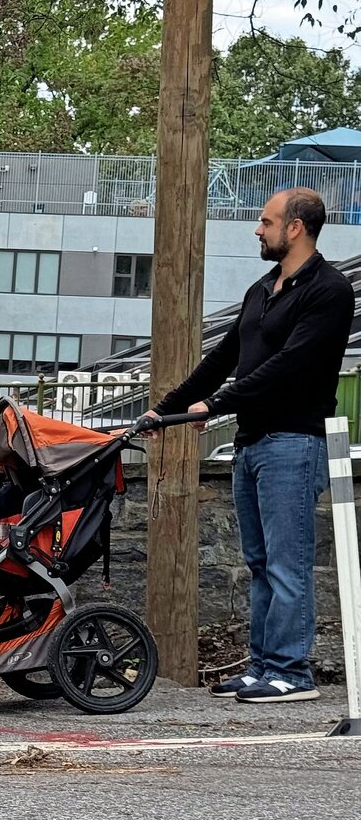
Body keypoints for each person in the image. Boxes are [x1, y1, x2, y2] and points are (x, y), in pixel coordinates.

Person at [149, 187, 354, 703]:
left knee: (288, 564)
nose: (257, 230)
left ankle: (292, 672)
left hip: (293, 444)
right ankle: (264, 667)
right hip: (251, 445)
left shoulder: (328, 291)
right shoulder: (263, 289)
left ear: (296, 228)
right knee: (260, 564)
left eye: (266, 221)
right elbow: (222, 357)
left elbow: (289, 366)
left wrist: (216, 405)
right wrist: (166, 410)